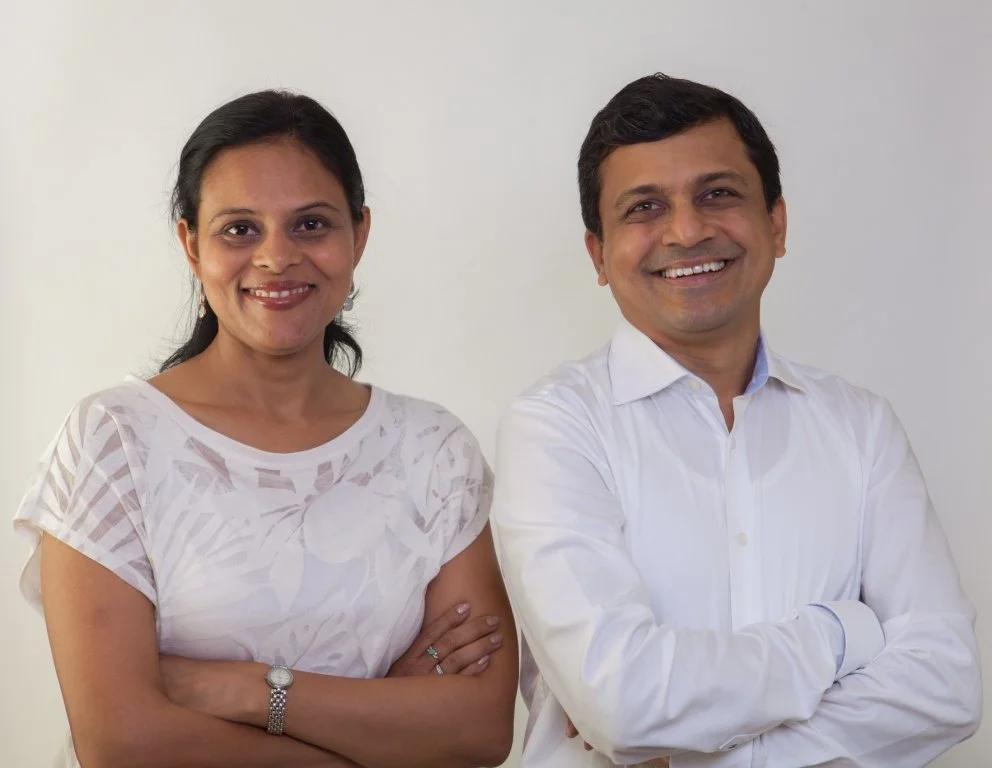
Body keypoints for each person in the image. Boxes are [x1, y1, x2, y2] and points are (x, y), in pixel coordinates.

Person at [14, 90, 517, 768]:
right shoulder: (113, 442)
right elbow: (121, 742)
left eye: (311, 224)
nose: (277, 257)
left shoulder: (434, 451)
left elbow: (479, 728)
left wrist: (247, 690)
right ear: (191, 244)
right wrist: (386, 718)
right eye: (239, 229)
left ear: (360, 234)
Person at [491, 73, 981, 767]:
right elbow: (624, 702)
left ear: (776, 224)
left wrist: (696, 748)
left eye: (717, 194)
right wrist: (843, 634)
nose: (687, 230)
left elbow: (946, 687)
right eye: (644, 208)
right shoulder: (555, 427)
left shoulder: (862, 428)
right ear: (598, 253)